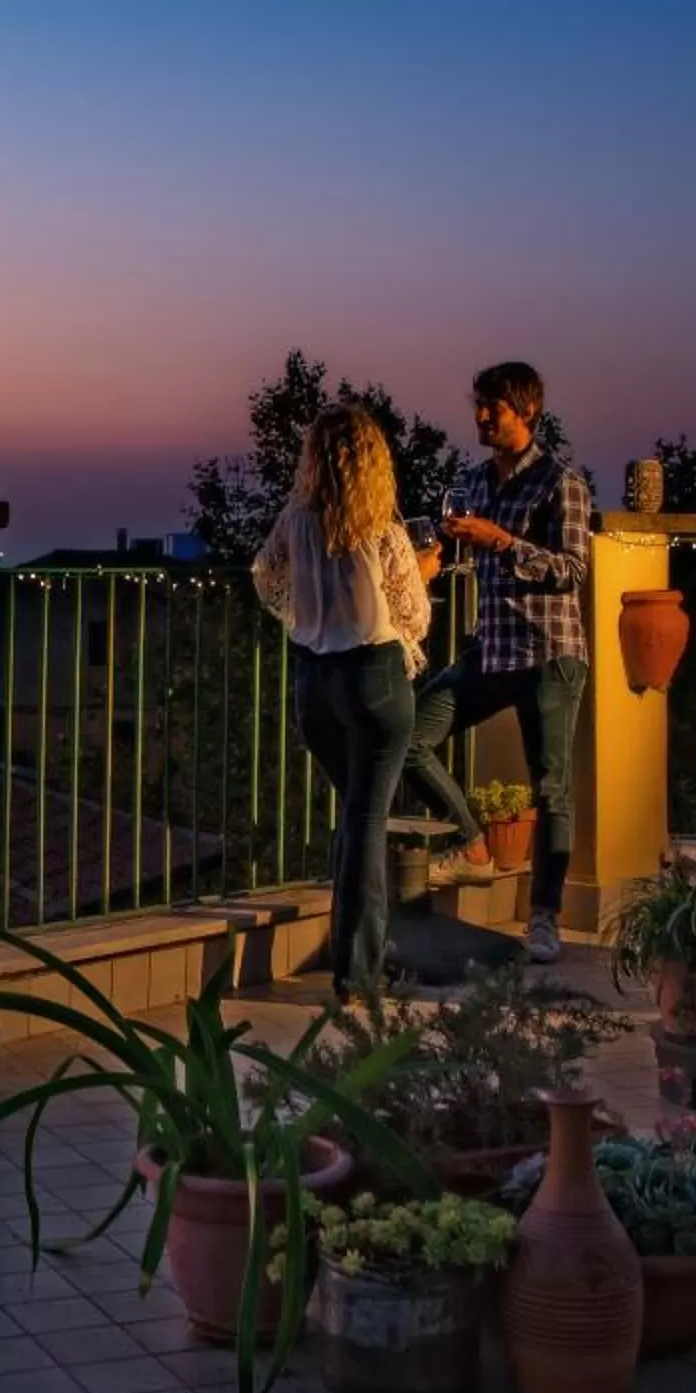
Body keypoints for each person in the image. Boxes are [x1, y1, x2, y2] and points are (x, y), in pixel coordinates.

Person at [405, 361, 592, 962]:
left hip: (548, 653)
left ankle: (544, 919)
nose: (482, 416)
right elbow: (459, 543)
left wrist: (503, 543)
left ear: (527, 411)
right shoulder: (474, 482)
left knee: (551, 789)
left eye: (495, 407)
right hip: (491, 649)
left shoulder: (561, 483)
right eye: (479, 405)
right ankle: (472, 844)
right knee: (409, 735)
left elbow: (573, 570)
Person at [252, 404, 439, 999]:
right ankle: (358, 973)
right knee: (366, 820)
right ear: (372, 461)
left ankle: (362, 955)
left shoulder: (295, 522)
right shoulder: (381, 527)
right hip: (374, 678)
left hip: (315, 684)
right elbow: (415, 616)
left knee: (358, 818)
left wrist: (305, 614)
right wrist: (422, 574)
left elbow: (264, 576)